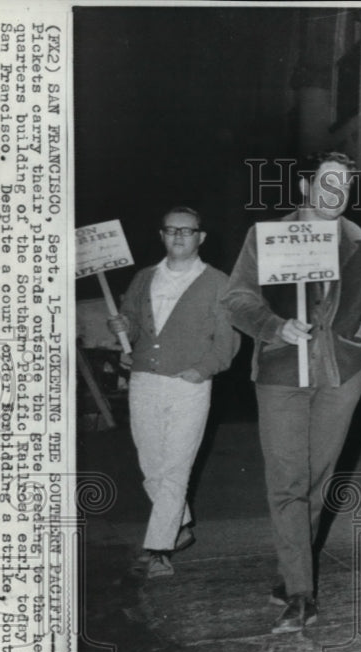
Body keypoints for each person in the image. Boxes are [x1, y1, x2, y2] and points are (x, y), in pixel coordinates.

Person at [222, 151, 361, 634]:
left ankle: (293, 569)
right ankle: (300, 591)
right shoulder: (267, 237)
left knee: (317, 480)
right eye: (329, 182)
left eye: (347, 186)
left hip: (339, 377)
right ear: (307, 187)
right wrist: (273, 326)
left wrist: (360, 357)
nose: (338, 193)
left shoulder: (360, 244)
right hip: (281, 376)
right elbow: (235, 298)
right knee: (288, 480)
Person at [108, 206, 238, 579]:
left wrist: (204, 370)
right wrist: (122, 324)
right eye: (171, 230)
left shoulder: (218, 283)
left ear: (201, 238)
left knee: (176, 467)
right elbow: (131, 326)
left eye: (188, 230)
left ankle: (158, 549)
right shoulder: (144, 277)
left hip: (189, 384)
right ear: (162, 235)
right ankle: (179, 527)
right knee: (151, 468)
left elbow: (228, 340)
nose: (179, 236)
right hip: (145, 379)